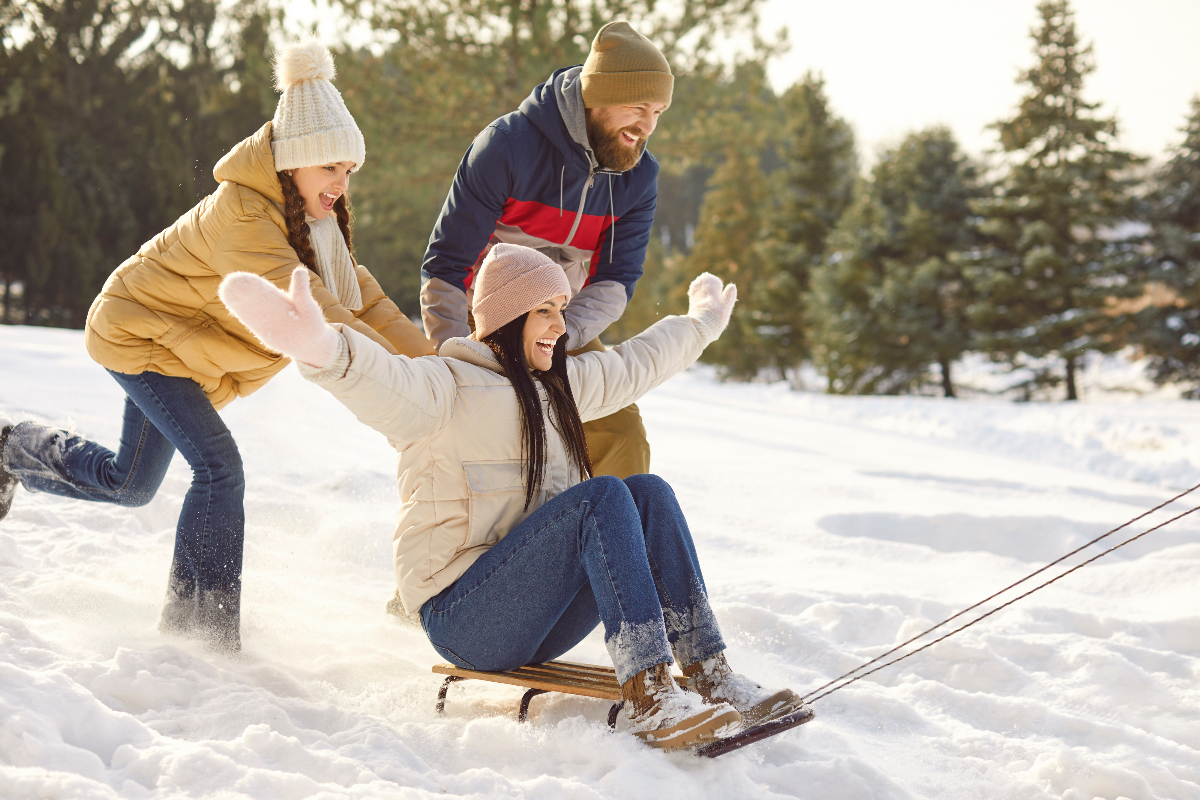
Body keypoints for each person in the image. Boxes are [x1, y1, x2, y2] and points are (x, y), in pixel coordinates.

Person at [218, 243, 805, 750]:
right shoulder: (442, 389)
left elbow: (635, 365)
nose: (560, 326)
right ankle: (651, 694)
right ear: (505, 318)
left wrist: (699, 323)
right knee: (601, 497)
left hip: (534, 616)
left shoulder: (558, 389)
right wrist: (323, 348)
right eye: (543, 311)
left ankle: (710, 671)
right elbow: (380, 380)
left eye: (561, 311)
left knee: (645, 492)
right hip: (463, 616)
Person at [0, 40, 435, 651]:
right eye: (329, 167)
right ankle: (198, 630)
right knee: (219, 469)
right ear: (295, 162)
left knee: (130, 484)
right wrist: (399, 374)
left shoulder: (314, 222)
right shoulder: (244, 217)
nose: (341, 182)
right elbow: (324, 308)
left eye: (347, 170)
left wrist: (436, 366)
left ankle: (13, 450)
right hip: (142, 335)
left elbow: (365, 299)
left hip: (182, 351)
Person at [419, 20, 672, 481]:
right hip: (489, 318)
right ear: (598, 97)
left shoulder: (639, 177)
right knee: (493, 434)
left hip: (565, 320)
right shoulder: (508, 146)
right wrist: (453, 356)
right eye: (638, 107)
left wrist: (558, 338)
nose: (648, 126)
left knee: (621, 433)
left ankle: (617, 546)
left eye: (658, 112)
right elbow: (447, 266)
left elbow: (615, 282)